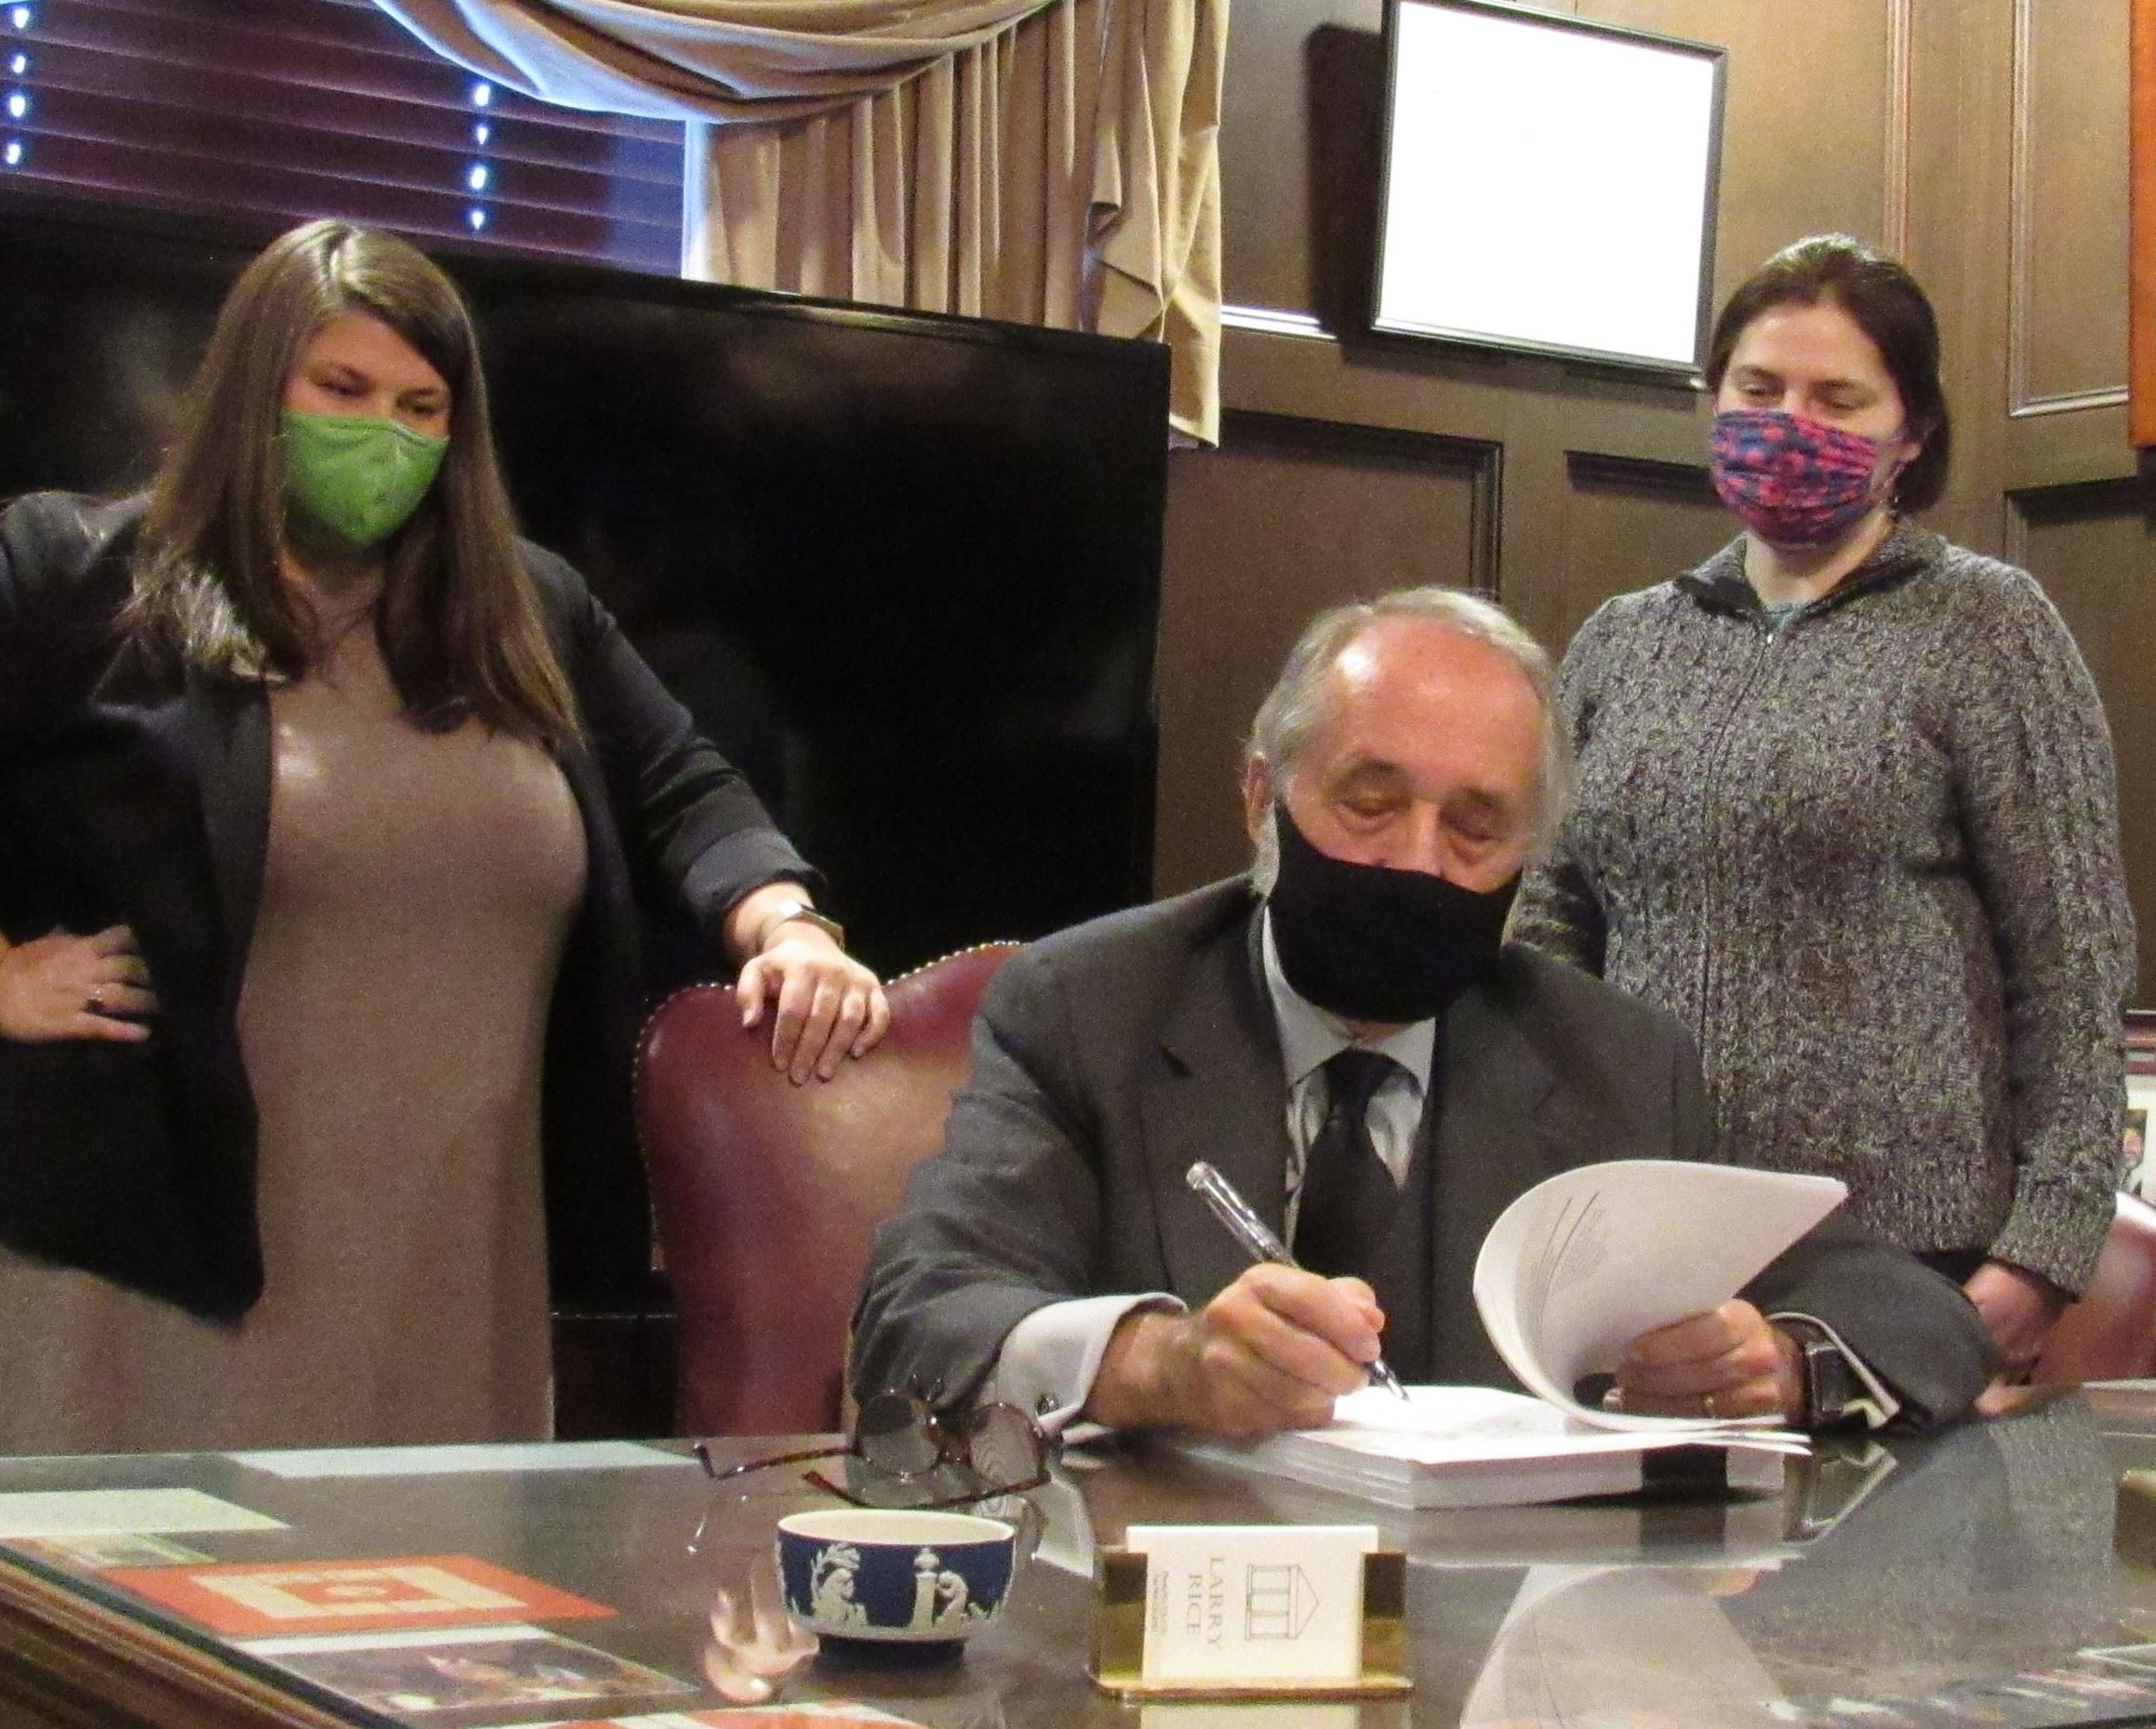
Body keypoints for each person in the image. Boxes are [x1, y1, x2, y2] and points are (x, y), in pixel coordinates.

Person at [0, 219, 888, 1454]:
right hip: (147, 1276)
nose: (387, 435)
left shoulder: (528, 611)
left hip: (451, 1272)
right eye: (345, 390)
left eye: (423, 407)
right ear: (261, 387)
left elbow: (685, 782)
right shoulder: (74, 572)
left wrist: (785, 922)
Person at [851, 588, 1994, 1439]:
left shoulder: (1613, 1062)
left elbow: (1910, 1310)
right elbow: (918, 1318)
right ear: (1262, 795)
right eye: (1368, 801)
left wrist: (1784, 1362)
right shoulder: (1085, 1005)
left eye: (1475, 829)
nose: (1414, 860)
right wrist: (1162, 1363)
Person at [1510, 234, 2135, 1384]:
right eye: (1757, 390)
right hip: (1643, 1249)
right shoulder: (1621, 639)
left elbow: (2071, 958)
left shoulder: (1988, 628)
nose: (1785, 420)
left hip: (1907, 1267)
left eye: (1835, 397)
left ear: (1910, 434)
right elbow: (1549, 932)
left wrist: (2037, 1260)